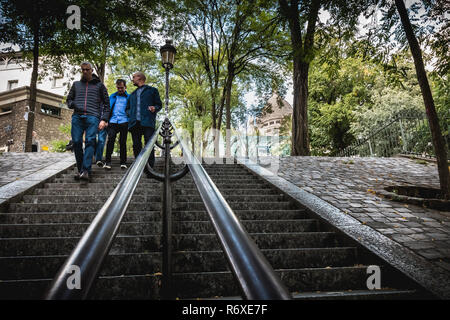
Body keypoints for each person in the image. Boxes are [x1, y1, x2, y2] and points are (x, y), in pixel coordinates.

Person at [66, 62, 110, 182]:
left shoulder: (100, 86)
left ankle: (86, 170)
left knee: (90, 141)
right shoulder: (76, 85)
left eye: (87, 69)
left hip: (93, 117)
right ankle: (81, 170)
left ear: (91, 70)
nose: (85, 71)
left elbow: (107, 104)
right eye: (83, 70)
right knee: (76, 142)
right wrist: (74, 104)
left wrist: (104, 119)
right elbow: (69, 100)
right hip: (77, 117)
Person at [126, 72, 162, 175]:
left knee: (149, 145)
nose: (132, 79)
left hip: (147, 122)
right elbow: (127, 108)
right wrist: (130, 114)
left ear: (140, 78)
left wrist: (154, 108)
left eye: (134, 77)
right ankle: (138, 167)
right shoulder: (132, 95)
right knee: (136, 145)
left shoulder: (152, 91)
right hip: (134, 123)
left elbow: (159, 104)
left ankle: (150, 169)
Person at [104, 79, 129, 170]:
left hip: (124, 121)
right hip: (113, 121)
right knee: (110, 140)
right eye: (118, 88)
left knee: (123, 142)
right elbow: (107, 109)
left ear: (125, 87)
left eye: (121, 88)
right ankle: (107, 161)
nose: (120, 89)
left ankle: (123, 162)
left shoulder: (129, 97)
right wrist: (105, 120)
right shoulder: (112, 96)